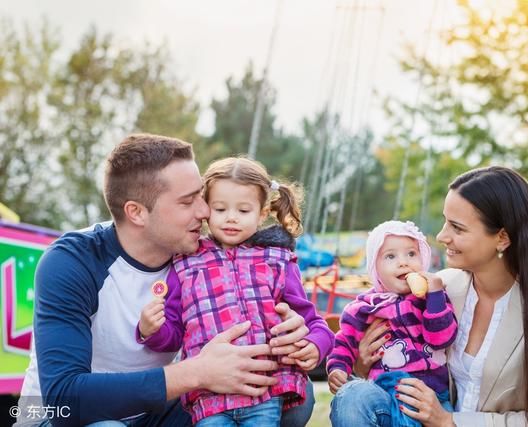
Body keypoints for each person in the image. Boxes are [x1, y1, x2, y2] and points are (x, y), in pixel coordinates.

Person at [15, 134, 316, 427]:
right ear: (137, 213)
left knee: (286, 393)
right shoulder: (71, 261)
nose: (205, 210)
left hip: (152, 412)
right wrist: (196, 372)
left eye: (201, 195)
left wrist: (290, 331)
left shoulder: (200, 257)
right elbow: (62, 400)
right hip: (51, 417)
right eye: (187, 202)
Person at [330, 166, 528, 427]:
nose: (442, 236)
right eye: (445, 222)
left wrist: (451, 421)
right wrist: (362, 364)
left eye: (458, 228)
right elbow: (402, 359)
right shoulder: (440, 289)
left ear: (502, 238)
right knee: (353, 397)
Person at [136, 156, 334, 426]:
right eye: (220, 209)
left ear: (262, 213)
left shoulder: (277, 260)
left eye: (243, 211)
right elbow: (174, 335)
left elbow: (312, 321)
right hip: (209, 400)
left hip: (264, 392)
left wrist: (315, 344)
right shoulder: (185, 263)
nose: (231, 218)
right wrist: (152, 330)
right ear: (206, 208)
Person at [326, 220, 457, 425]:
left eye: (411, 254)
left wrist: (435, 297)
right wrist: (337, 368)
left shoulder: (432, 299)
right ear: (375, 268)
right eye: (390, 256)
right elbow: (344, 342)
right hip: (385, 394)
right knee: (353, 396)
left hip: (432, 396)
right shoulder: (363, 308)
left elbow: (442, 339)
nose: (403, 262)